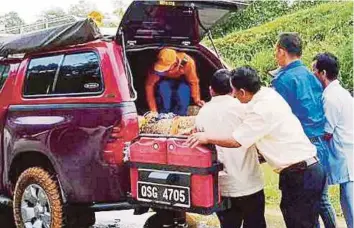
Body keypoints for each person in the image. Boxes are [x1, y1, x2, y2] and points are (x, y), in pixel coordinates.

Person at [187, 66, 326, 228]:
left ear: (243, 92)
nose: (233, 96)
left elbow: (236, 140)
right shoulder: (267, 95)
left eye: (235, 92)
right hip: (300, 171)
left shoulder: (260, 110)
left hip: (301, 173)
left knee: (300, 223)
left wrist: (207, 136)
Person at [272, 32, 337, 228]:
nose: (276, 55)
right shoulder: (312, 77)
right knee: (318, 202)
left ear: (282, 52)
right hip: (320, 147)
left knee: (300, 210)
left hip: (300, 152)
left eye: (276, 51)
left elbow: (278, 118)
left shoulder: (283, 80)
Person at [195, 69, 265, 228]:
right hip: (249, 183)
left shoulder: (202, 113)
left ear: (211, 90)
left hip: (223, 186)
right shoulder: (243, 108)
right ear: (233, 89)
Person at [312, 52, 353, 228]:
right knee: (347, 202)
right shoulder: (341, 93)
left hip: (345, 155)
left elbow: (326, 132)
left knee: (350, 206)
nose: (312, 74)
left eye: (313, 70)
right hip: (347, 153)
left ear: (322, 73)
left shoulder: (330, 97)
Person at [145, 48, 204, 116]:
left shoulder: (188, 62)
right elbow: (149, 86)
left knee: (183, 95)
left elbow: (193, 82)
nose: (162, 70)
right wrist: (153, 110)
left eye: (165, 68)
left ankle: (180, 117)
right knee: (164, 91)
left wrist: (197, 99)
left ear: (175, 63)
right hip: (164, 81)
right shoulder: (156, 69)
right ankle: (164, 116)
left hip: (183, 82)